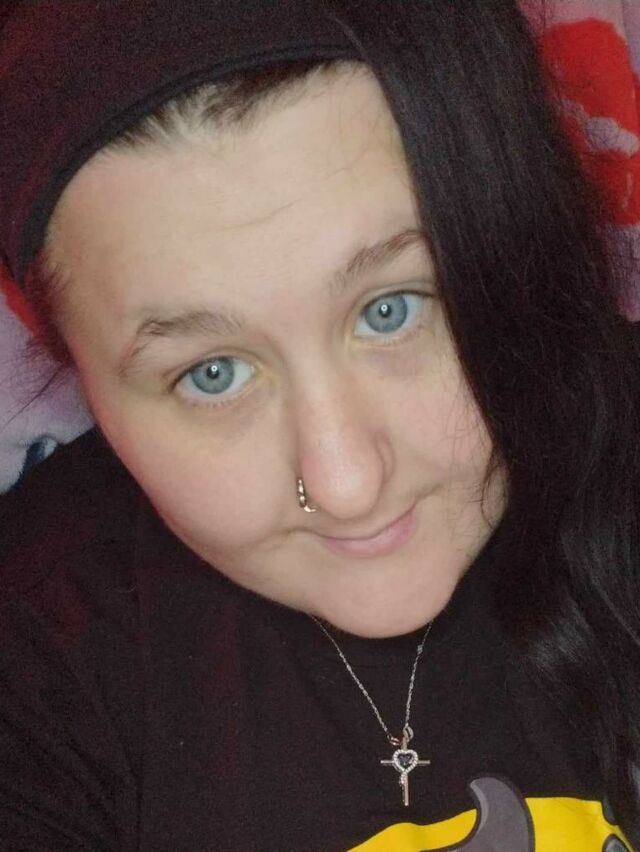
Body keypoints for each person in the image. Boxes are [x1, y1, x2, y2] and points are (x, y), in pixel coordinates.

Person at [0, 1, 639, 849]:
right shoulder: (36, 660)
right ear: (82, 379)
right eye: (212, 373)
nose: (346, 485)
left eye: (391, 309)